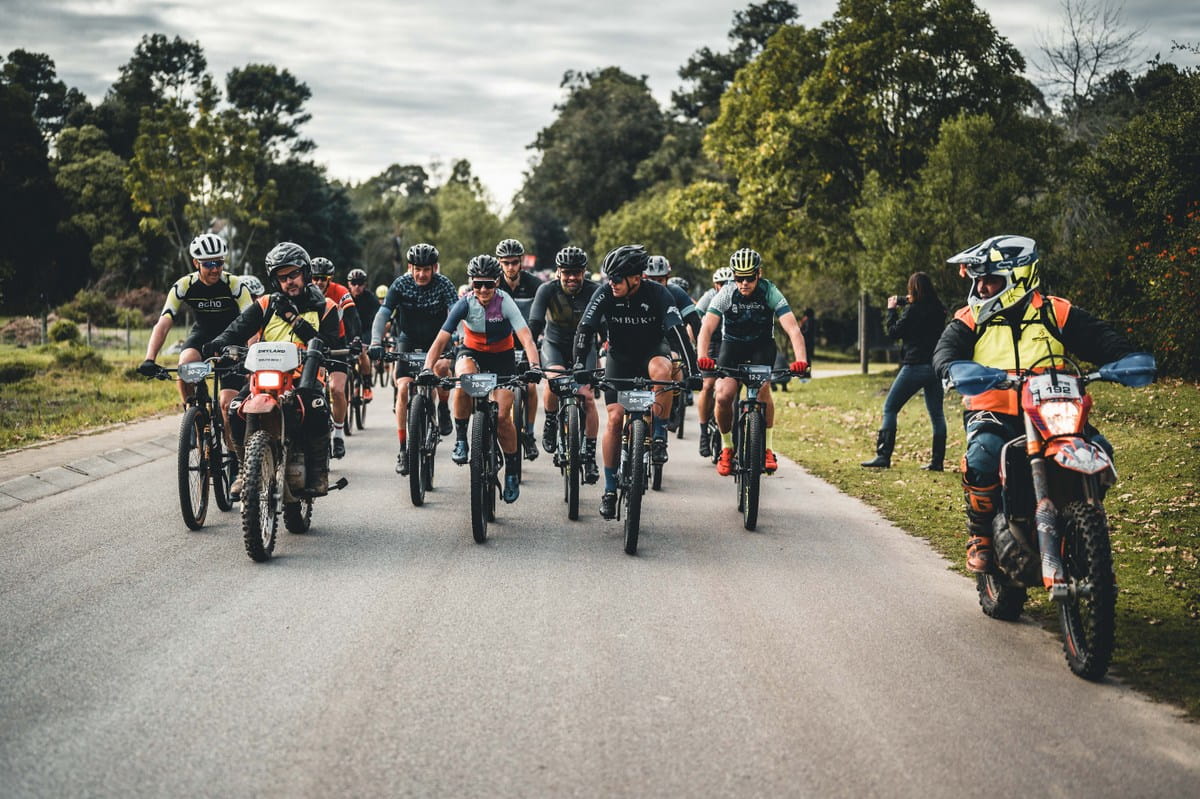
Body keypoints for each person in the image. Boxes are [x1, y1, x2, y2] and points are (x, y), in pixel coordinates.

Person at [932, 234, 1134, 573]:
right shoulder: (970, 318)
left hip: (1053, 413)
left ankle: (1081, 521)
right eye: (978, 280)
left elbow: (1100, 337)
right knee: (982, 455)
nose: (981, 288)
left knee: (1100, 450)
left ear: (1020, 277)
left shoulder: (1055, 311)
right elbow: (945, 350)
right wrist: (951, 367)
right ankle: (981, 534)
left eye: (991, 280)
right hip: (994, 411)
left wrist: (1126, 357)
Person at [573, 245, 700, 520]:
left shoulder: (658, 293)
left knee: (662, 369)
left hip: (652, 353)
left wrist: (693, 372)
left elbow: (678, 333)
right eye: (610, 277)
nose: (612, 283)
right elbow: (586, 328)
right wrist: (578, 367)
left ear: (636, 278)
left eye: (618, 278)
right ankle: (609, 490)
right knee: (615, 419)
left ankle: (658, 433)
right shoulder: (606, 292)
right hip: (620, 359)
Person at [203, 242, 341, 496]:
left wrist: (294, 319)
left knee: (316, 407)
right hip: (265, 377)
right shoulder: (266, 304)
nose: (289, 281)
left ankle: (318, 472)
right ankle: (246, 470)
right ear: (274, 280)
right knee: (235, 408)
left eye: (293, 274)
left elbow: (330, 343)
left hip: (305, 377)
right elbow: (238, 328)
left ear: (305, 273)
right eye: (282, 277)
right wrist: (219, 343)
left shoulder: (327, 307)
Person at [420, 254, 542, 503]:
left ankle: (510, 472)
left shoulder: (505, 301)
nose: (483, 289)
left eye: (488, 283)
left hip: (502, 357)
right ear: (471, 284)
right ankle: (462, 439)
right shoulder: (464, 303)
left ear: (497, 282)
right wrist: (426, 368)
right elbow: (441, 339)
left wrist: (535, 366)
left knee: (502, 417)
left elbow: (526, 337)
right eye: (478, 284)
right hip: (472, 352)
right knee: (464, 380)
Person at [695, 248, 808, 477]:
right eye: (739, 278)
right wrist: (702, 357)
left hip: (761, 346)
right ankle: (727, 448)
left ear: (759, 274)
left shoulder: (770, 291)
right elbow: (706, 327)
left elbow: (793, 329)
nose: (744, 283)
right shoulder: (726, 293)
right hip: (732, 346)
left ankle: (767, 448)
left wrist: (801, 361)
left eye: (749, 278)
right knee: (724, 395)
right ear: (733, 277)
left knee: (763, 389)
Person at [138, 233, 252, 452]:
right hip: (202, 335)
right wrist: (149, 358)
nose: (215, 269)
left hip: (232, 339)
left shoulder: (235, 285)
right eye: (208, 264)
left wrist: (252, 352)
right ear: (196, 263)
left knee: (228, 404)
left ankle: (236, 460)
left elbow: (252, 325)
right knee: (185, 364)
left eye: (219, 262)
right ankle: (193, 413)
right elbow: (163, 324)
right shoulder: (184, 285)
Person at [368, 243, 458, 477]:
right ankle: (403, 449)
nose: (421, 274)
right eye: (417, 269)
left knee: (441, 368)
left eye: (426, 269)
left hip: (438, 339)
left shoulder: (444, 284)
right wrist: (376, 341)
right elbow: (383, 314)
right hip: (408, 339)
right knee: (404, 388)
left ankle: (443, 407)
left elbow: (456, 313)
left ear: (434, 268)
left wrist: (458, 339)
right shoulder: (400, 284)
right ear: (410, 267)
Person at [528, 245, 602, 484]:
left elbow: (605, 326)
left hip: (585, 348)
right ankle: (551, 422)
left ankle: (589, 456)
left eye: (576, 272)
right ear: (558, 272)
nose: (571, 277)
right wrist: (527, 355)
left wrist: (609, 345)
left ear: (584, 272)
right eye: (566, 272)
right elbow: (536, 323)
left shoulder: (595, 291)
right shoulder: (546, 290)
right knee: (555, 381)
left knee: (587, 396)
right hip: (555, 346)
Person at [861, 272, 948, 470]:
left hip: (914, 366)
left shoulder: (912, 310)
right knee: (937, 415)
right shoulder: (939, 309)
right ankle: (937, 461)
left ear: (913, 289)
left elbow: (893, 332)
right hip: (934, 367)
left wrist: (892, 311)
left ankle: (883, 456)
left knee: (890, 408)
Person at [495, 237, 543, 461]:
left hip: (527, 341)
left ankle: (530, 434)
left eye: (514, 262)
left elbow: (545, 314)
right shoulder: (493, 284)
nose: (510, 267)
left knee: (530, 388)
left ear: (521, 262)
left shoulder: (534, 284)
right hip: (500, 343)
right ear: (499, 263)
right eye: (506, 263)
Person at [310, 256, 358, 458]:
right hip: (311, 345)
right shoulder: (305, 292)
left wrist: (355, 339)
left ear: (330, 278)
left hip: (337, 344)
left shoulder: (341, 292)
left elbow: (352, 318)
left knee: (337, 390)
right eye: (315, 278)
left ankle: (338, 434)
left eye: (323, 278)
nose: (319, 282)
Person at [694, 266, 733, 457]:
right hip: (711, 342)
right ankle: (703, 432)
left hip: (729, 342)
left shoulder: (736, 295)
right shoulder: (710, 297)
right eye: (720, 283)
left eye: (727, 283)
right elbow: (694, 321)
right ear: (714, 284)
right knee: (708, 385)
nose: (723, 286)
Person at [345, 267, 377, 401]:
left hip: (366, 331)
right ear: (349, 284)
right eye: (353, 283)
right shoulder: (344, 297)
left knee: (362, 352)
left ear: (365, 285)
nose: (357, 287)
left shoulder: (370, 298)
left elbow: (379, 316)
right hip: (349, 331)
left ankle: (367, 385)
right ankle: (352, 380)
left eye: (360, 284)